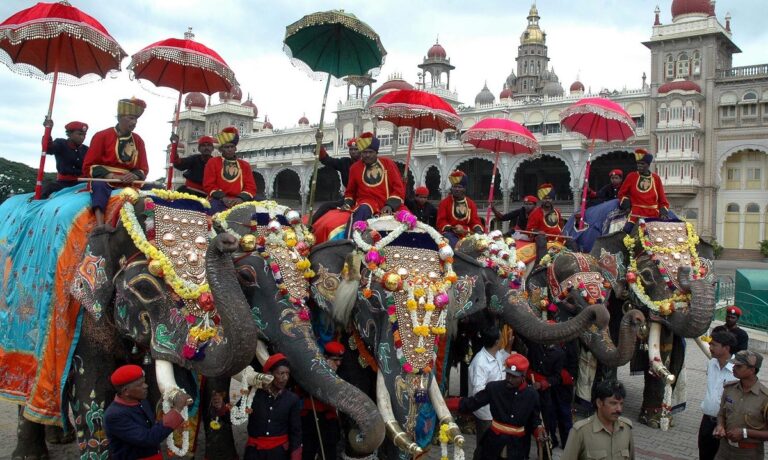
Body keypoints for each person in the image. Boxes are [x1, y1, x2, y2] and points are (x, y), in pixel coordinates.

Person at [448, 353, 547, 460]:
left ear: (523, 376)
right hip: (493, 443)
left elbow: (535, 420)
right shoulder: (494, 388)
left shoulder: (532, 395)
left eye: (514, 376)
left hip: (518, 446)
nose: (509, 379)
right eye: (508, 374)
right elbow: (472, 403)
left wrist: (539, 430)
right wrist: (445, 403)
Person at [82, 97, 149, 226]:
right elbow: (89, 166)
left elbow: (143, 168)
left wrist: (134, 175)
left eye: (136, 119)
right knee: (99, 186)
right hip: (105, 180)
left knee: (156, 190)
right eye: (130, 118)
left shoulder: (138, 140)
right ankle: (101, 226)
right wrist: (110, 176)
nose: (134, 122)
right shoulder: (101, 136)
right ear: (119, 117)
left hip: (130, 182)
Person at [104, 364, 191, 460]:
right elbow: (148, 438)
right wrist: (177, 410)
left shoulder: (142, 401)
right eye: (140, 385)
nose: (146, 386)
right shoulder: (114, 415)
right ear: (126, 391)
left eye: (144, 382)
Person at [246, 353, 302, 460]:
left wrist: (296, 454)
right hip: (254, 453)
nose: (285, 378)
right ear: (269, 374)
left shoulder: (292, 399)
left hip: (279, 453)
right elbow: (233, 416)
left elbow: (296, 431)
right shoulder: (253, 394)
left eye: (287, 374)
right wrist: (221, 407)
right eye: (281, 373)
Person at [713, 350, 768, 460]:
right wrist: (720, 426)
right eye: (734, 364)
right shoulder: (729, 389)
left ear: (752, 370)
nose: (733, 367)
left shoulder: (765, 397)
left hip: (749, 453)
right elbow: (721, 414)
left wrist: (745, 433)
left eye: (739, 366)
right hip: (724, 450)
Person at [341, 132, 405, 224]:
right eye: (364, 152)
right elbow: (350, 192)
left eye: (370, 152)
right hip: (367, 204)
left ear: (376, 152)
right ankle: (351, 237)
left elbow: (399, 189)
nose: (367, 155)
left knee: (409, 219)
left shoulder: (388, 163)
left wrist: (390, 206)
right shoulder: (354, 168)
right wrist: (347, 203)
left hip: (389, 204)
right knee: (362, 210)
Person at [561, 379, 634, 460]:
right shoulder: (581, 432)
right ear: (599, 403)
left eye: (621, 404)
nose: (619, 409)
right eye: (613, 403)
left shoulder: (626, 428)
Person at [467, 326, 510, 459]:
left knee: (496, 446)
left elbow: (504, 355)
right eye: (501, 337)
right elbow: (478, 391)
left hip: (498, 409)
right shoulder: (480, 362)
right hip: (486, 413)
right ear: (497, 342)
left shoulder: (496, 353)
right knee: (485, 446)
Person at [299, 341, 345, 460]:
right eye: (335, 360)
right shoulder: (312, 371)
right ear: (325, 358)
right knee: (308, 451)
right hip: (312, 417)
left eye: (340, 360)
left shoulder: (340, 374)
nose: (338, 363)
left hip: (330, 420)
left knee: (329, 452)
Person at [699, 330, 738, 460]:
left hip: (725, 425)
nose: (710, 347)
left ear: (726, 348)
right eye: (710, 344)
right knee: (704, 455)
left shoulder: (737, 370)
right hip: (706, 421)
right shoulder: (711, 364)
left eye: (714, 345)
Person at [203, 126, 257, 213]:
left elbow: (251, 187)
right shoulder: (212, 162)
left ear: (235, 148)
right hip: (219, 199)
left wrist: (240, 198)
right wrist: (223, 198)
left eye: (232, 147)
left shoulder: (245, 165)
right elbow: (209, 185)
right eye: (226, 147)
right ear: (221, 149)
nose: (230, 150)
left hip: (240, 200)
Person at [618, 149, 669, 234]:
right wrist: (626, 203)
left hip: (653, 214)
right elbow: (621, 193)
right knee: (625, 232)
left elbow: (662, 200)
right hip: (635, 213)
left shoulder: (656, 178)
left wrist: (663, 213)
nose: (639, 166)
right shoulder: (631, 176)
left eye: (642, 164)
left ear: (648, 165)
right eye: (638, 163)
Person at [312, 139, 361, 222]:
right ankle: (309, 226)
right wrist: (319, 145)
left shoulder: (366, 164)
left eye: (356, 149)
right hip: (348, 198)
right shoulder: (345, 162)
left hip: (364, 198)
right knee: (325, 206)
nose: (353, 152)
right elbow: (328, 161)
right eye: (351, 149)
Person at [41, 119, 89, 198]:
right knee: (47, 188)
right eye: (79, 134)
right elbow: (48, 149)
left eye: (84, 135)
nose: (82, 137)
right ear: (69, 134)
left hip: (83, 183)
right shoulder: (61, 143)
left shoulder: (86, 149)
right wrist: (48, 130)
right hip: (63, 183)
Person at [437, 170, 484, 247]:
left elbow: (475, 221)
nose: (457, 189)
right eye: (455, 187)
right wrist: (453, 229)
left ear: (464, 189)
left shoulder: (471, 204)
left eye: (459, 187)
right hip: (450, 234)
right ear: (451, 188)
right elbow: (441, 222)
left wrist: (478, 231)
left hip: (466, 233)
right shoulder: (444, 203)